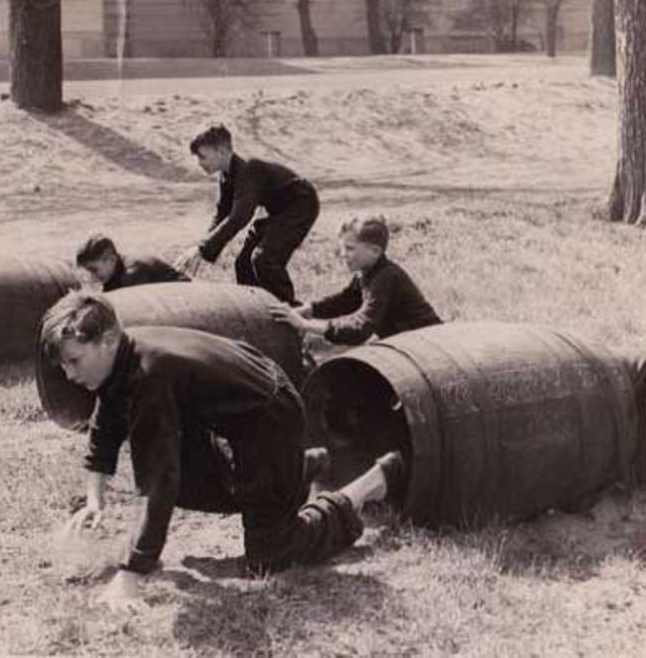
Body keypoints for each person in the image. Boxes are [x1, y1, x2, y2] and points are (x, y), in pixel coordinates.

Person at [42, 291, 405, 611]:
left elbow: (157, 479)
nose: (70, 375)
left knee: (270, 555)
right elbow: (105, 427)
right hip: (236, 416)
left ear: (106, 340)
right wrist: (95, 498)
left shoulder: (149, 374)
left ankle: (367, 486)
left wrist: (133, 571)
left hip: (270, 417)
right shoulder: (122, 357)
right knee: (187, 485)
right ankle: (295, 471)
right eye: (63, 366)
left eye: (74, 360)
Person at [174, 125, 320, 305]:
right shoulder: (226, 177)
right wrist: (201, 249)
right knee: (243, 263)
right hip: (278, 211)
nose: (199, 163)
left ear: (221, 151)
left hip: (301, 204)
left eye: (203, 157)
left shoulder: (249, 170)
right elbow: (222, 216)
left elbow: (240, 216)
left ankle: (292, 314)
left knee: (265, 259)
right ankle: (256, 311)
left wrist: (204, 249)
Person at [271, 214, 441, 346]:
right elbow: (345, 301)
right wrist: (306, 310)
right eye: (342, 248)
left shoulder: (387, 277)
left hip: (429, 345)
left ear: (375, 251)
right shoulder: (367, 273)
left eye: (350, 248)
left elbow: (360, 329)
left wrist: (305, 325)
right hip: (409, 344)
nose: (343, 254)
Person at [75, 234, 189, 292]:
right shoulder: (114, 273)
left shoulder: (132, 273)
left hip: (188, 293)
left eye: (93, 269)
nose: (92, 275)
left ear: (112, 260)